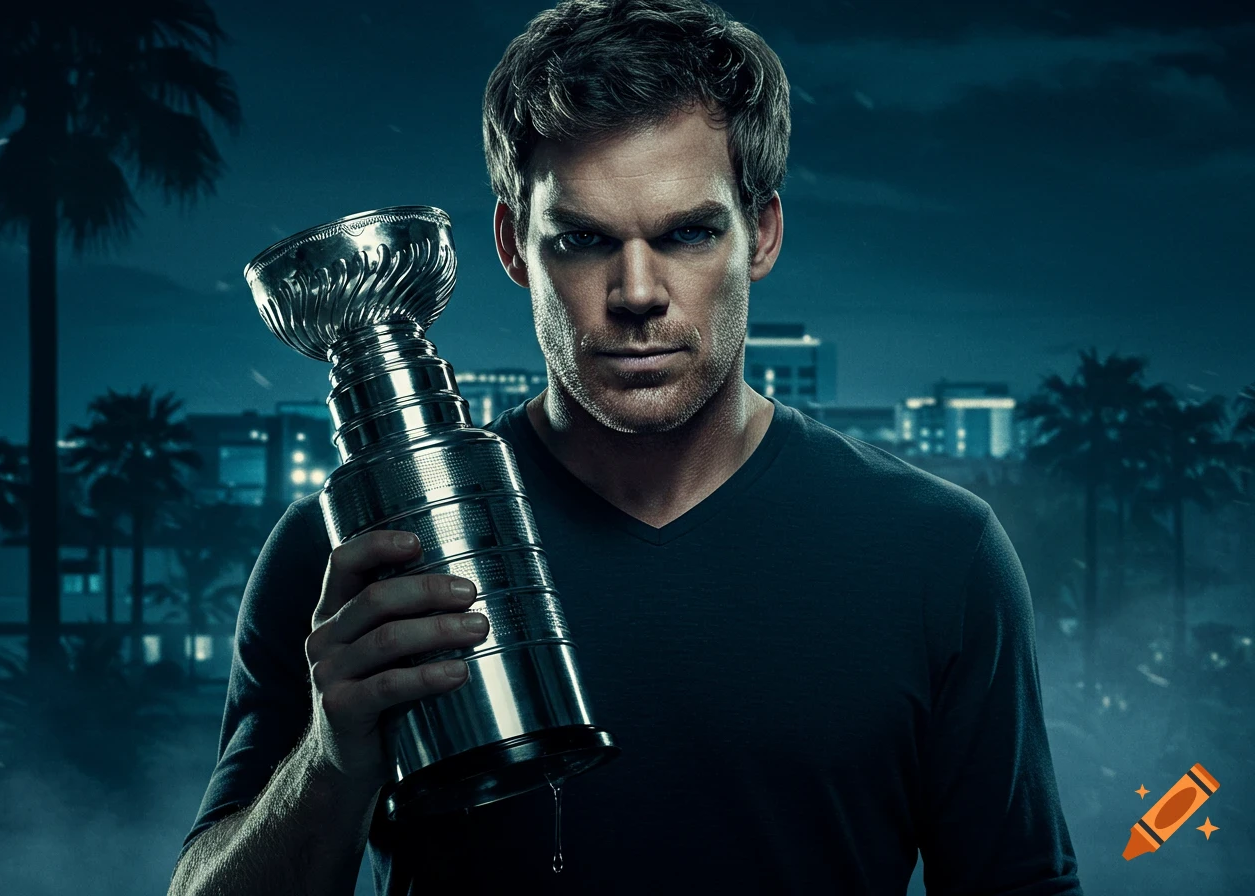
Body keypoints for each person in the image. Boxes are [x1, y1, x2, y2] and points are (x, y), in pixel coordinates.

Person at [169, 1, 1083, 893]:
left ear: (760, 231)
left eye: (687, 232)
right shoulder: (353, 559)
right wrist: (332, 760)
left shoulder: (935, 554)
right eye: (582, 240)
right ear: (512, 244)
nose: (637, 292)